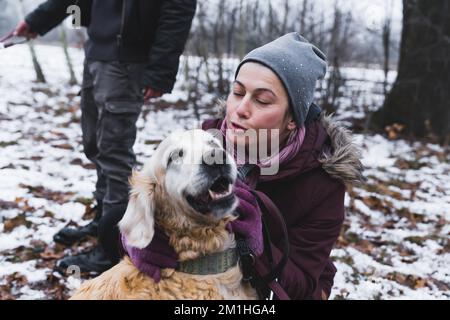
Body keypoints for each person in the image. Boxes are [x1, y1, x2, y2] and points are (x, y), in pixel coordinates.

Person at [121, 32, 364, 300]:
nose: (240, 110)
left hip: (280, 287)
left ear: (293, 119)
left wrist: (256, 244)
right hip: (205, 275)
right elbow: (149, 203)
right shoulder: (206, 139)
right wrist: (139, 244)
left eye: (261, 100)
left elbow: (303, 284)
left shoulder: (323, 183)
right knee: (111, 224)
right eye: (237, 93)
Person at [14, 0, 197, 274]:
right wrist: (38, 21)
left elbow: (177, 9)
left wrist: (160, 70)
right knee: (95, 144)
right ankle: (104, 220)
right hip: (97, 51)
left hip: (127, 59)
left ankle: (113, 245)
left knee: (114, 153)